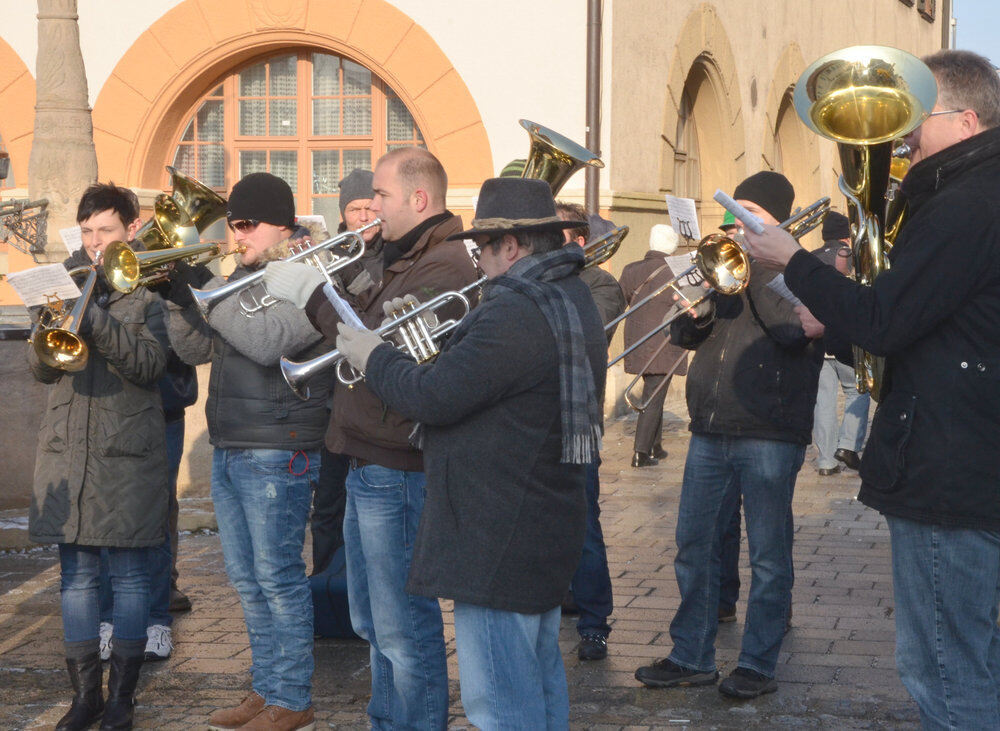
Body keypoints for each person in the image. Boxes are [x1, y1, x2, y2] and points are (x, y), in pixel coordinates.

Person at [742, 50, 1000, 728]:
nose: (904, 134)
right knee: (965, 660)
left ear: (969, 120)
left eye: (920, 117)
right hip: (963, 454)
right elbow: (927, 324)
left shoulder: (969, 203)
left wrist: (792, 260)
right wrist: (838, 321)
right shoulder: (966, 196)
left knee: (944, 669)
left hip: (952, 471)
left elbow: (887, 320)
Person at [334, 176, 607, 729]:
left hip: (496, 529)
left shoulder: (514, 310)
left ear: (510, 245)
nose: (477, 261)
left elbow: (433, 397)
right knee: (539, 680)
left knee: (500, 701)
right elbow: (494, 384)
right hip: (541, 517)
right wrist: (433, 345)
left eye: (482, 248)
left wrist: (373, 355)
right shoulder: (568, 295)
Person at [262, 147, 477, 729]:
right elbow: (359, 317)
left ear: (419, 199)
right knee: (372, 621)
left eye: (380, 196)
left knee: (402, 625)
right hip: (366, 454)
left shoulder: (446, 265)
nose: (370, 208)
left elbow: (374, 344)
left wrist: (311, 292)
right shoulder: (395, 254)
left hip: (400, 463)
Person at [634, 171, 823, 699]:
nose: (737, 223)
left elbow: (797, 330)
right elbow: (684, 337)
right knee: (694, 546)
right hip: (710, 427)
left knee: (767, 554)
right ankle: (691, 654)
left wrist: (756, 268)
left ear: (776, 219)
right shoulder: (719, 262)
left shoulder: (800, 271)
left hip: (770, 429)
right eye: (734, 211)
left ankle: (758, 662)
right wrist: (693, 311)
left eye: (750, 213)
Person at [163, 172, 328, 731]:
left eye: (246, 224)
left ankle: (293, 698)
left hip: (279, 445)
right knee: (247, 578)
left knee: (278, 576)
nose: (237, 234)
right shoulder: (239, 275)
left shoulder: (307, 274)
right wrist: (177, 297)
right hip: (235, 441)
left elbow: (265, 342)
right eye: (232, 224)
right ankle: (265, 689)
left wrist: (203, 285)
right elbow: (193, 348)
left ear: (281, 223)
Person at [29, 183, 169, 730]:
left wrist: (96, 323)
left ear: (130, 230)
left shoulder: (150, 288)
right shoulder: (62, 282)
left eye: (104, 231)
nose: (93, 242)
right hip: (68, 452)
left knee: (132, 579)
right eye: (86, 231)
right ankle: (84, 697)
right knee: (77, 580)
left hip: (127, 454)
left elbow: (150, 366)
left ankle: (122, 700)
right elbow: (40, 369)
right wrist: (52, 322)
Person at [306, 168, 383, 576]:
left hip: (376, 391)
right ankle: (327, 583)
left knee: (372, 502)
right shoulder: (326, 251)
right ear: (343, 213)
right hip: (330, 389)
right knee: (330, 499)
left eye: (371, 206)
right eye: (355, 208)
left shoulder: (392, 252)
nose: (363, 215)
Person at [555, 201, 623, 661]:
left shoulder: (601, 283)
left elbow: (589, 331)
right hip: (530, 421)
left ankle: (595, 620)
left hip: (576, 422)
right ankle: (562, 595)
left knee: (582, 525)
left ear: (578, 242)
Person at [618, 223, 689, 467]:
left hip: (637, 339)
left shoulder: (630, 269)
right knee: (653, 396)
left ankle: (655, 446)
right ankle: (640, 452)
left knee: (655, 391)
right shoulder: (678, 271)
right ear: (672, 246)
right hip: (664, 340)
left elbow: (624, 298)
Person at [809, 211, 869, 475]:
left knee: (823, 399)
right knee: (859, 390)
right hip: (845, 339)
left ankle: (825, 462)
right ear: (847, 235)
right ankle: (848, 446)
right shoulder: (850, 256)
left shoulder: (810, 258)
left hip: (818, 342)